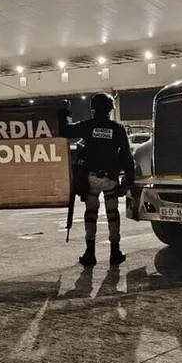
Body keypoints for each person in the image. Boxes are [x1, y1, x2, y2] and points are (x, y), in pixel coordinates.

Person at [59, 93, 135, 267]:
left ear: (93, 108)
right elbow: (126, 156)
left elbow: (65, 131)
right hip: (110, 178)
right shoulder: (117, 128)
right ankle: (115, 252)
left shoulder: (88, 126)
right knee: (113, 215)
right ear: (110, 109)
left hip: (91, 178)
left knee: (91, 214)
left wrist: (63, 113)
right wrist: (128, 181)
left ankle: (90, 253)